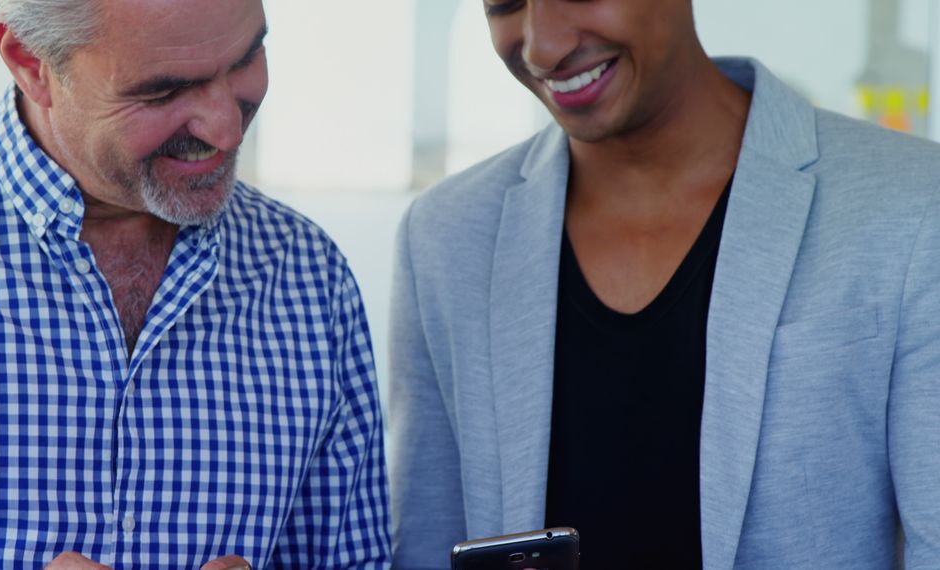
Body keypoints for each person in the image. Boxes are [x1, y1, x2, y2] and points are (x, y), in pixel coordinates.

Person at [388, 0, 940, 568]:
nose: (541, 47)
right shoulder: (446, 239)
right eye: (505, 3)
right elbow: (430, 546)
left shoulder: (911, 207)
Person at [0, 0, 391, 568]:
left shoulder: (309, 276)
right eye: (163, 91)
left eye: (246, 57)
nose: (225, 128)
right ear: (29, 62)